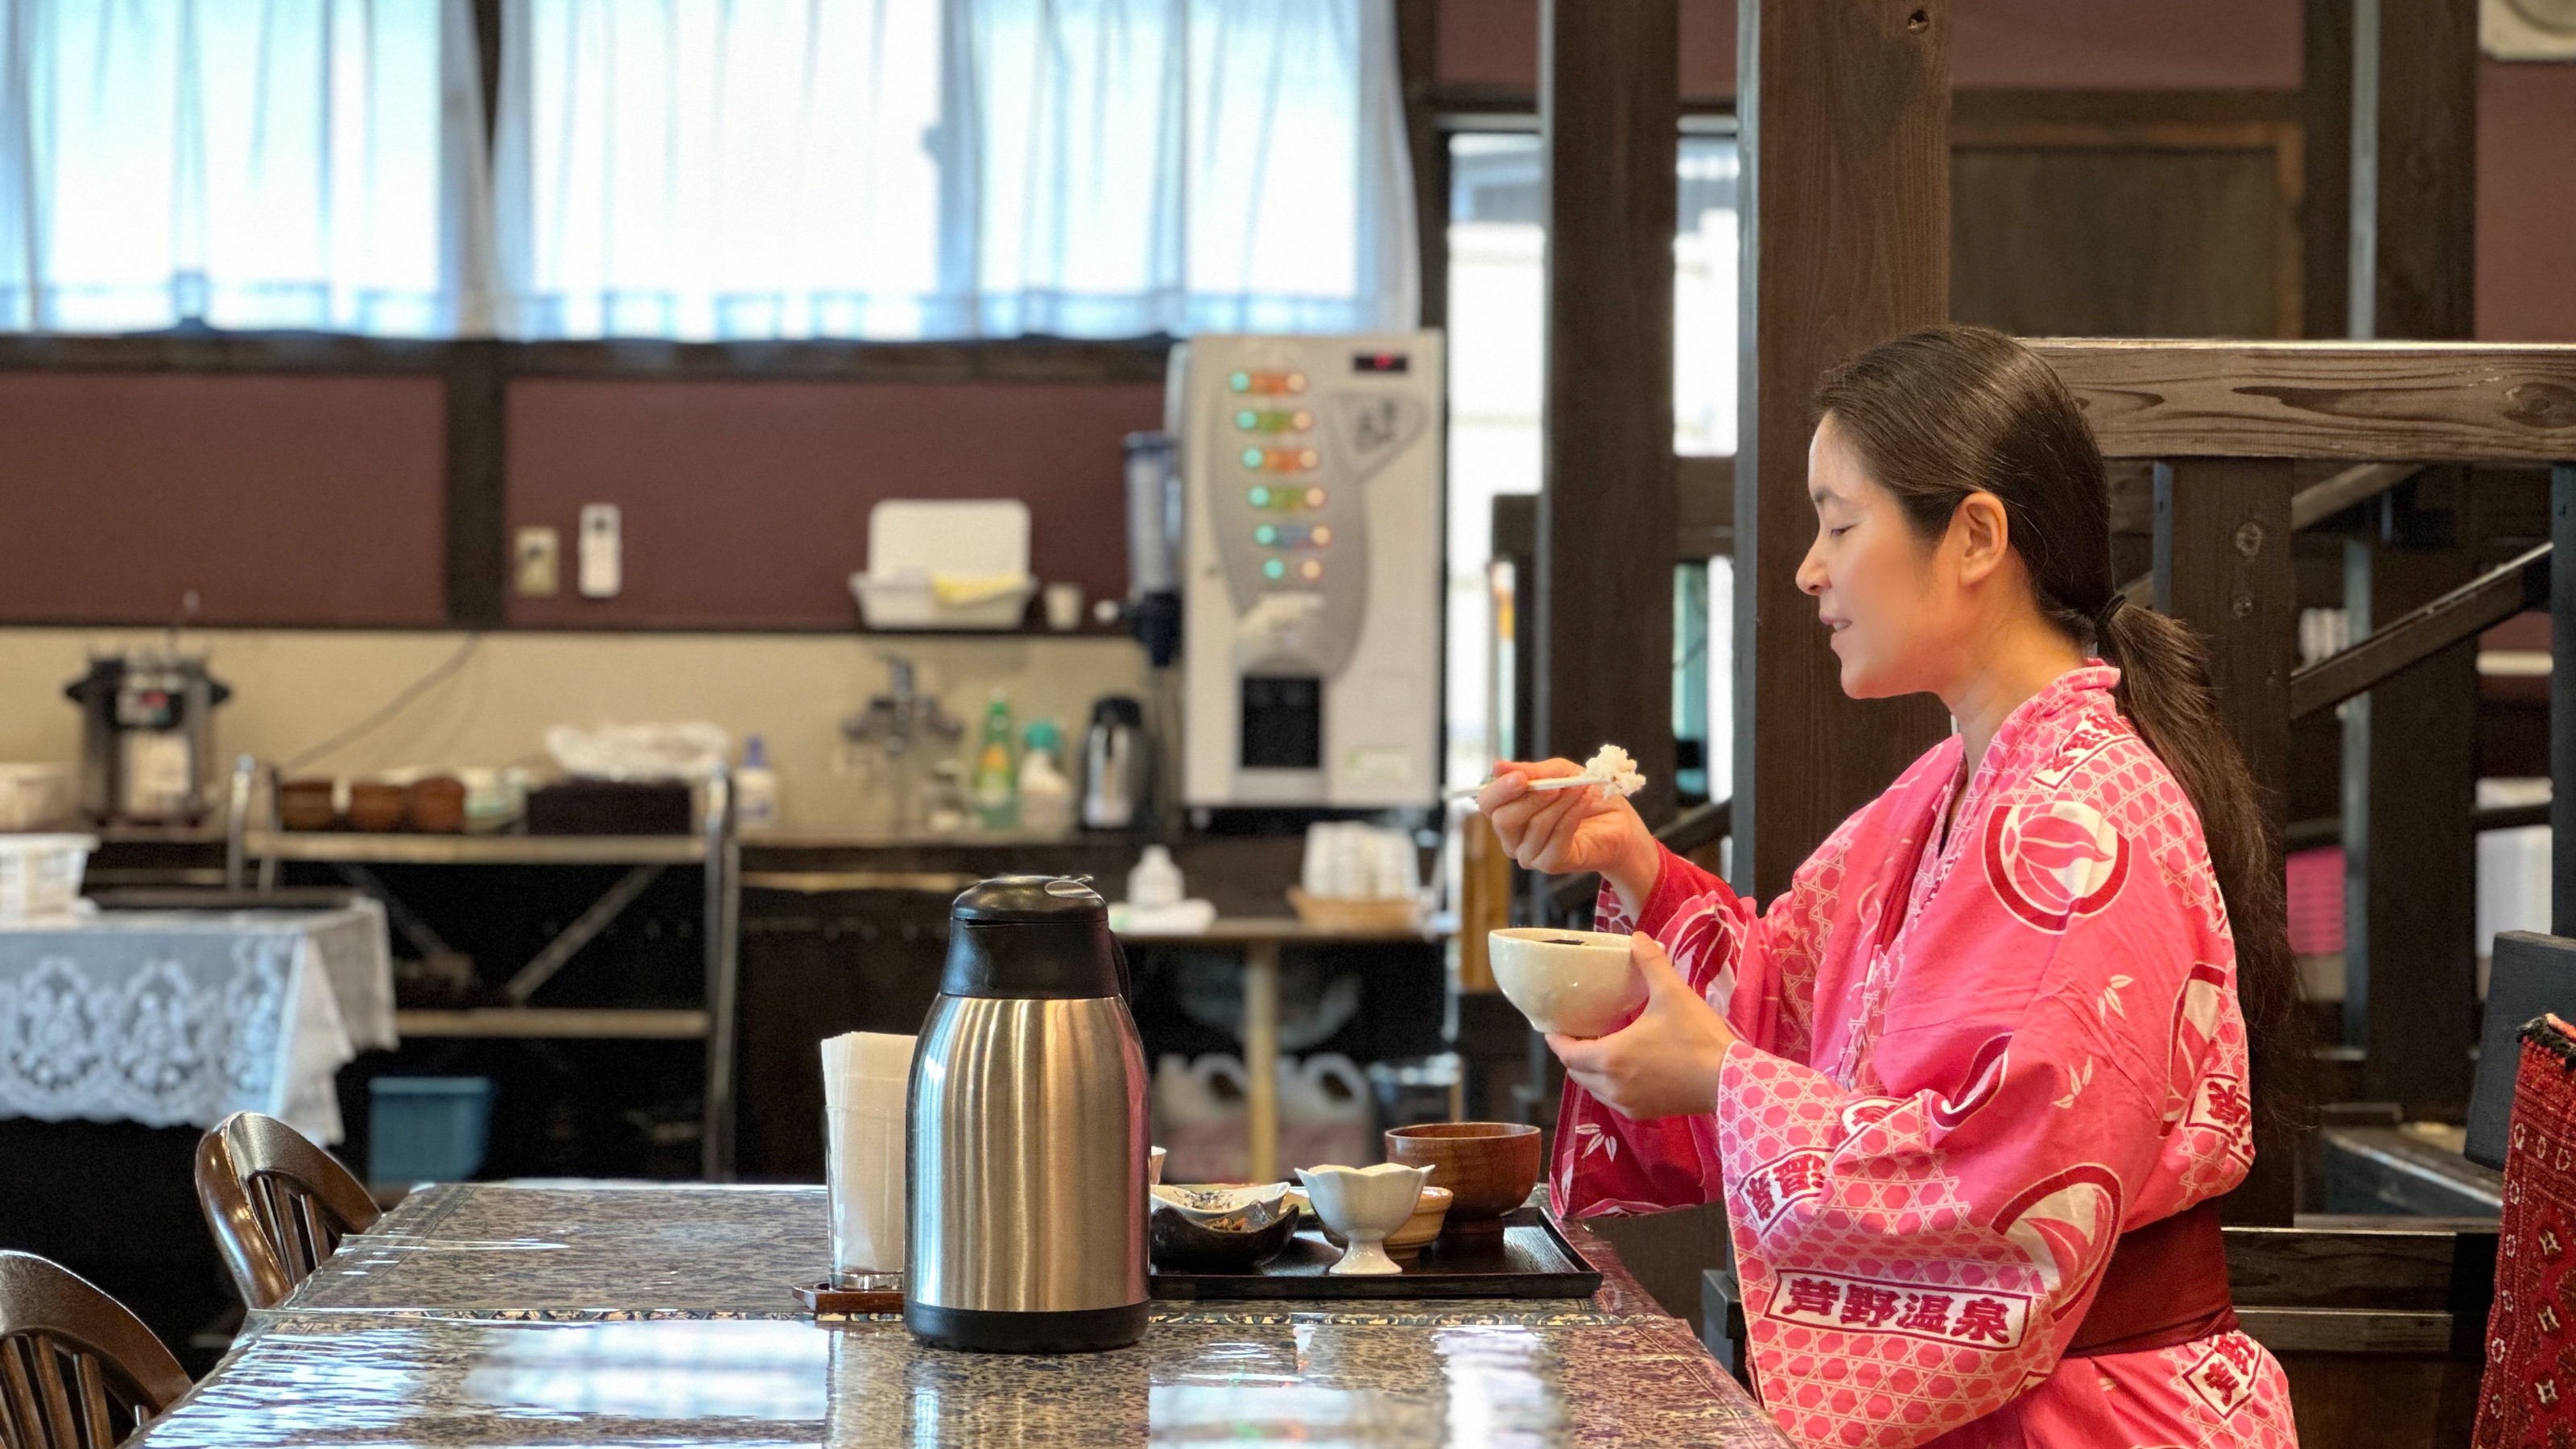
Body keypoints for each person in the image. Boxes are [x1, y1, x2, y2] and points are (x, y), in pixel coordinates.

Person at [1480, 325, 2304, 1448]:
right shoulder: (1957, 781)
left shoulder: (2082, 820)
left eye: (1839, 522)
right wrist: (1633, 862)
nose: (1811, 568)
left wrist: (1722, 1080)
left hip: (2093, 1411)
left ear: (1973, 536)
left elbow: (2001, 1176)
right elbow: (1794, 996)